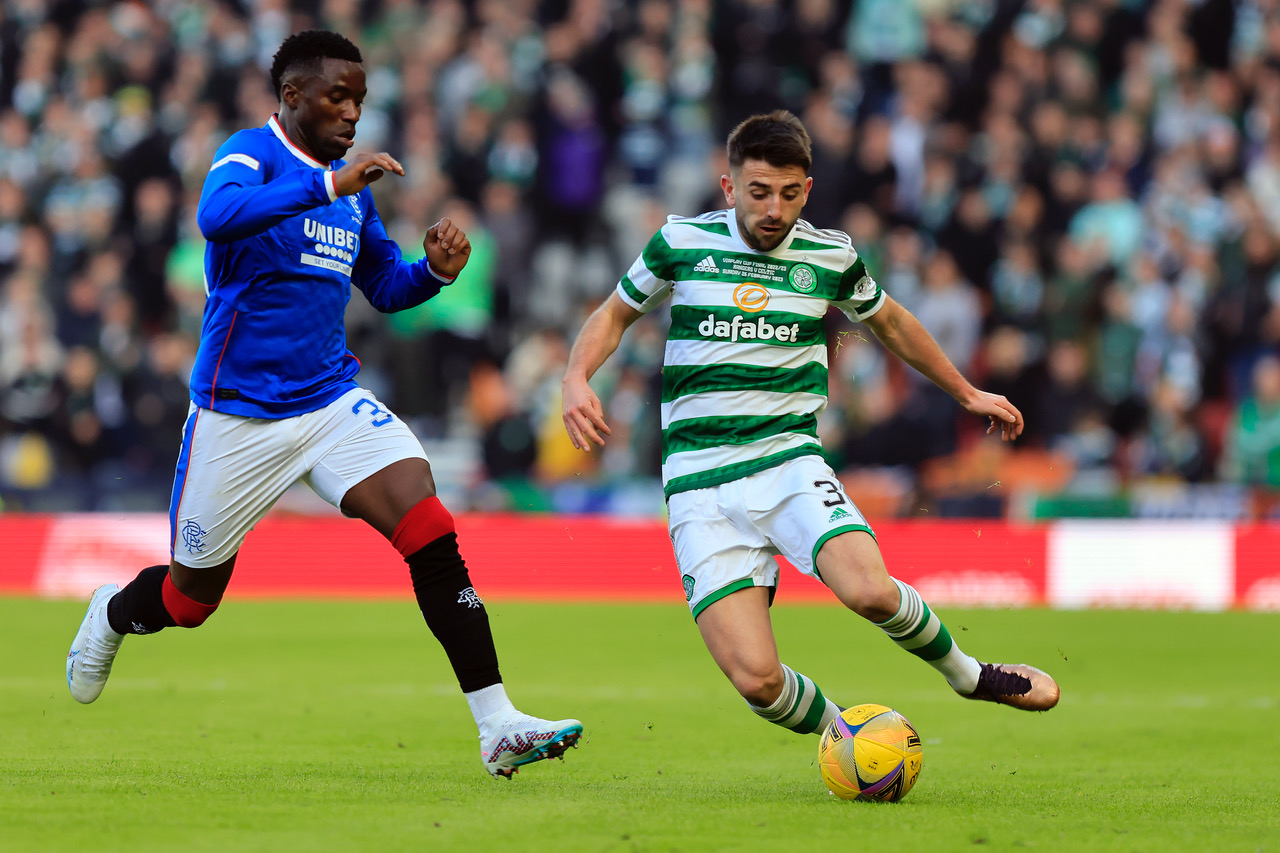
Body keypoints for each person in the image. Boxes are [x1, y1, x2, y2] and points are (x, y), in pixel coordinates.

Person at [65, 30, 581, 779]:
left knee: (430, 526)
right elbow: (218, 217)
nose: (351, 113)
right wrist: (330, 186)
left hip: (329, 401)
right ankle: (113, 611)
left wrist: (432, 273)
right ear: (292, 96)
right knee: (189, 598)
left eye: (360, 100)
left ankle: (497, 722)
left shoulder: (351, 192)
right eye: (338, 96)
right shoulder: (251, 154)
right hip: (237, 414)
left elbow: (384, 287)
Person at [561, 111, 1058, 740]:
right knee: (758, 681)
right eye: (759, 192)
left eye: (789, 193)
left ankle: (970, 676)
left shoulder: (830, 256)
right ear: (729, 187)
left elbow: (892, 323)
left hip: (786, 460)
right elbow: (612, 315)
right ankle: (850, 738)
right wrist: (577, 377)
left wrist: (965, 391)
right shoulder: (680, 244)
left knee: (869, 590)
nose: (774, 208)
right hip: (696, 483)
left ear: (808, 190)